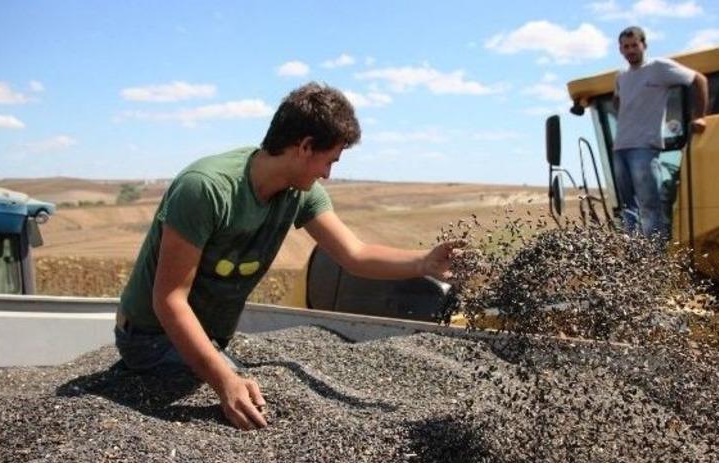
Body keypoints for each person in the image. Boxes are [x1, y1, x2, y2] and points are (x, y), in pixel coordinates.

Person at [115, 82, 462, 430]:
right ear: (305, 146)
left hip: (209, 339)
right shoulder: (206, 188)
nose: (327, 174)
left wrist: (424, 262)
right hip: (150, 339)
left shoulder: (300, 193)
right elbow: (169, 299)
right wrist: (225, 381)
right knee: (254, 413)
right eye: (329, 161)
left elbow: (354, 254)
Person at [612, 26, 708, 240]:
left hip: (644, 146)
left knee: (649, 205)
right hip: (620, 147)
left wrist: (700, 116)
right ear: (620, 50)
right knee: (628, 208)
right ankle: (634, 253)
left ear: (644, 45)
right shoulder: (620, 77)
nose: (630, 50)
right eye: (625, 47)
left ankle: (655, 255)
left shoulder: (658, 68)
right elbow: (618, 102)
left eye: (634, 45)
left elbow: (699, 80)